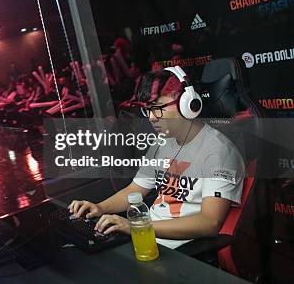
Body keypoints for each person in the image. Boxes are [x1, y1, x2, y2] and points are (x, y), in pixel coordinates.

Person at [69, 67, 245, 249]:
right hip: (146, 239)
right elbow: (134, 189)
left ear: (187, 104)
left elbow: (210, 222)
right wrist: (99, 207)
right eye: (148, 110)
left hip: (180, 251)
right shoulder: (162, 143)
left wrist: (137, 227)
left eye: (158, 108)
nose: (152, 118)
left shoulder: (219, 152)